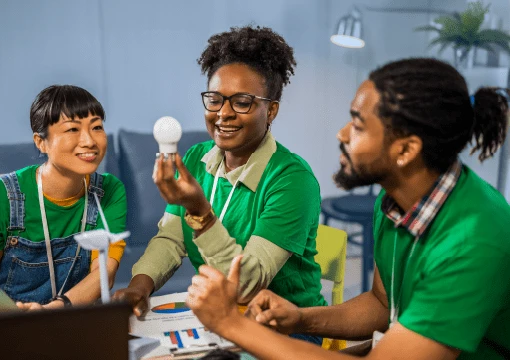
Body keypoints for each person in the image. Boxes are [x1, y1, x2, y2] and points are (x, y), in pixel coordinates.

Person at [185, 58, 510, 360]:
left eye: (357, 125)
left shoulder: (473, 239)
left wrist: (231, 323)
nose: (341, 134)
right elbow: (382, 305)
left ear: (406, 149)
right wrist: (300, 319)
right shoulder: (396, 202)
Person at [113, 25, 327, 343]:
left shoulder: (292, 180)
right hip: (216, 319)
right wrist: (138, 287)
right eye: (214, 99)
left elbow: (247, 285)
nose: (222, 114)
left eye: (242, 102)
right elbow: (171, 238)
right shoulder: (199, 157)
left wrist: (201, 213)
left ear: (271, 110)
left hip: (284, 330)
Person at [0, 85, 127, 310]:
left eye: (96, 127)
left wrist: (51, 312)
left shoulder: (110, 190)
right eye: (72, 129)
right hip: (7, 325)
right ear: (41, 142)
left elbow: (104, 273)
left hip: (76, 319)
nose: (89, 141)